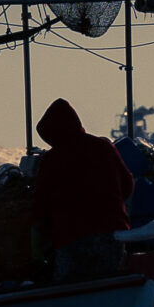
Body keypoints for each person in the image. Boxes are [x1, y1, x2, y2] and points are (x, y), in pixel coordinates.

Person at [31, 98, 134, 280]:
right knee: (106, 285)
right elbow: (127, 184)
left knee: (68, 289)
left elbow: (41, 205)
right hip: (111, 236)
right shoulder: (104, 147)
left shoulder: (52, 159)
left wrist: (37, 241)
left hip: (71, 239)